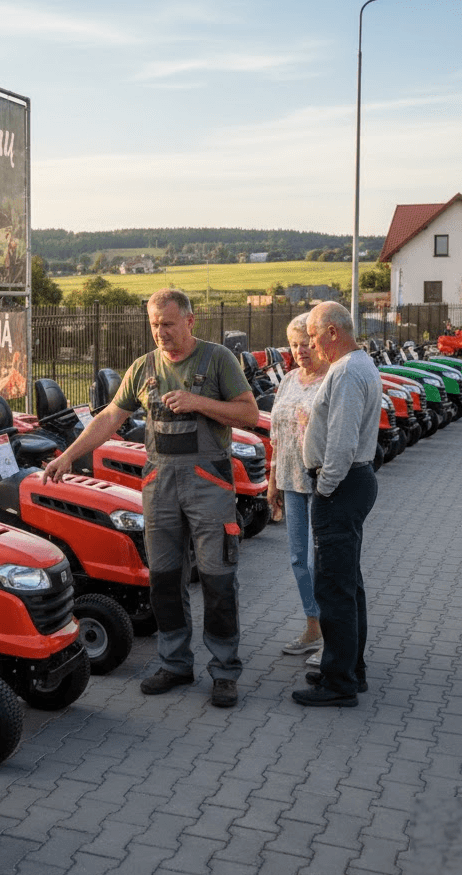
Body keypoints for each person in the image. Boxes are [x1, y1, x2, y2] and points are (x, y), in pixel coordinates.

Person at [41, 288, 258, 708]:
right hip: (160, 485)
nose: (161, 332)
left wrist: (198, 401)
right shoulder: (143, 367)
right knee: (163, 579)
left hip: (208, 484)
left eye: (169, 324)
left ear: (190, 321)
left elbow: (248, 413)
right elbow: (110, 416)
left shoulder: (217, 360)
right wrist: (69, 455)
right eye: (155, 325)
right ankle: (175, 663)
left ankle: (224, 670)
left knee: (217, 578)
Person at [292, 301, 382, 707]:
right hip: (353, 483)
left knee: (333, 588)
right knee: (348, 585)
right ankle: (349, 670)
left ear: (332, 332)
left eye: (313, 335)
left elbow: (342, 443)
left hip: (341, 487)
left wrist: (325, 487)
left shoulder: (345, 372)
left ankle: (339, 682)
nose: (310, 344)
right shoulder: (360, 364)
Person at [267, 313, 329, 661]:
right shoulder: (289, 379)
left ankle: (332, 636)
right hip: (290, 481)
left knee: (319, 561)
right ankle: (312, 627)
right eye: (293, 345)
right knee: (298, 559)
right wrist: (272, 481)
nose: (300, 350)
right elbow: (277, 435)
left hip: (322, 484)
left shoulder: (331, 379)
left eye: (305, 343)